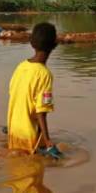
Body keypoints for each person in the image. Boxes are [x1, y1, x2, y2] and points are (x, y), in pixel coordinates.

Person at [6, 22, 60, 157]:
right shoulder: (44, 74)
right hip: (30, 135)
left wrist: (12, 126)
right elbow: (41, 111)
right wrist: (48, 141)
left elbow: (15, 95)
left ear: (32, 43)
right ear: (55, 45)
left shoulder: (21, 67)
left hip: (14, 130)